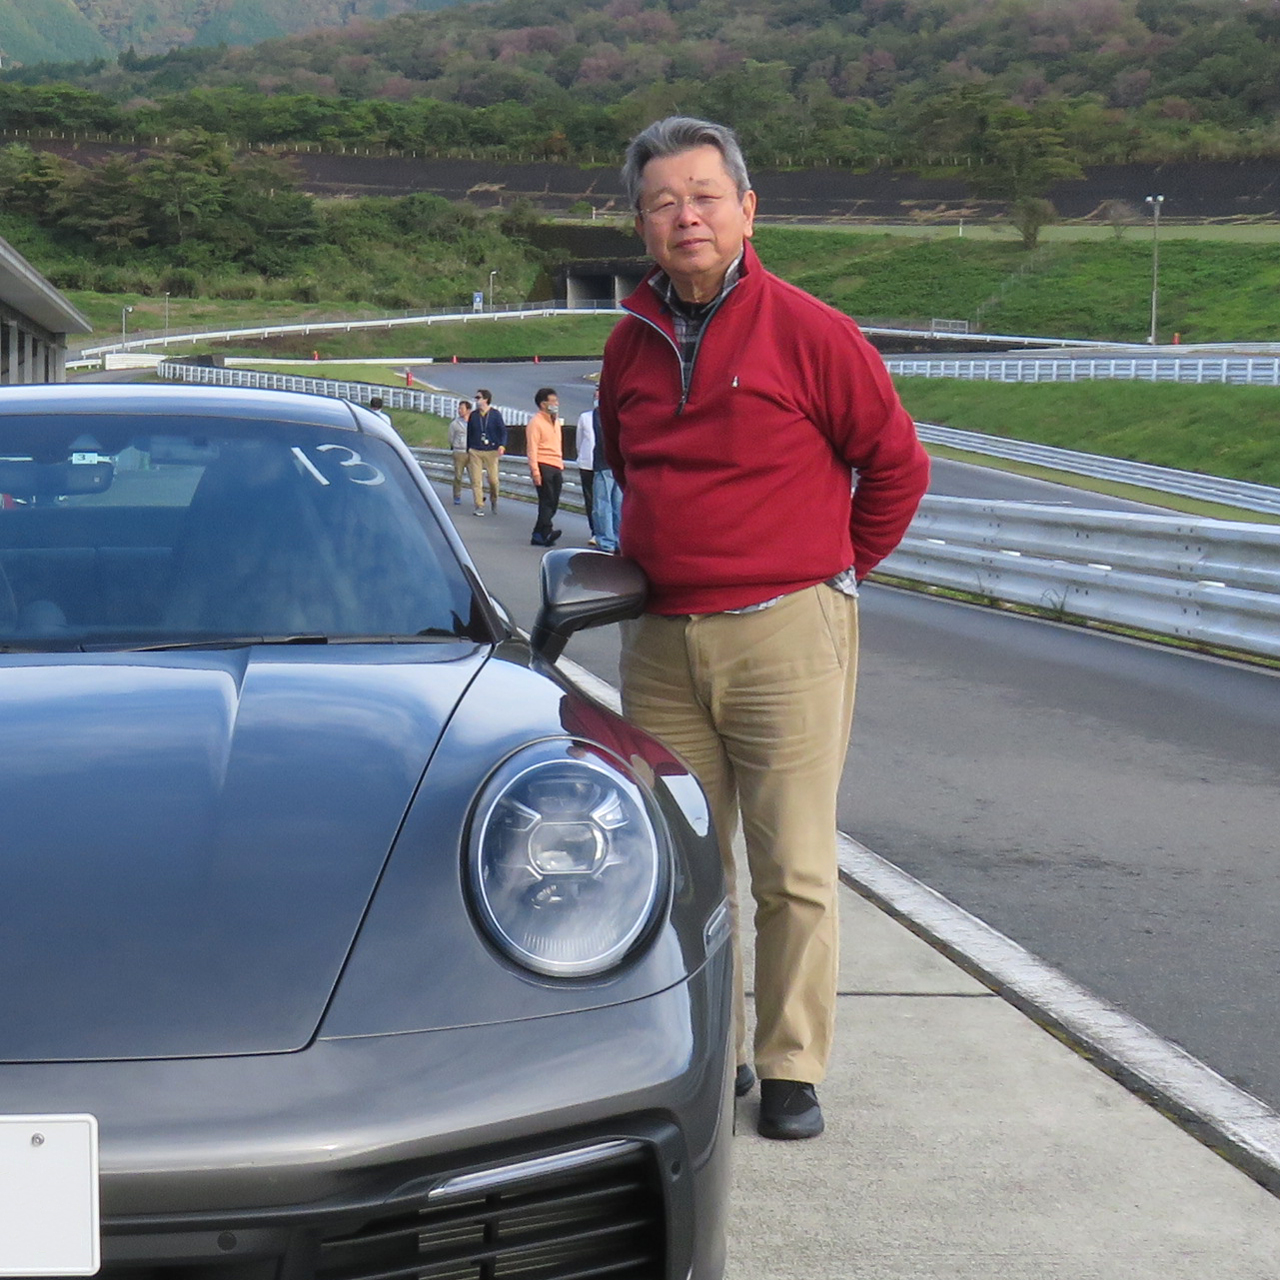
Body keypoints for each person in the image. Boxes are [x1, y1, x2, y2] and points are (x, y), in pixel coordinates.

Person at [598, 116, 930, 1141]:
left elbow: (896, 465)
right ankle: (716, 1051)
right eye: (662, 202)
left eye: (704, 196)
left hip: (786, 628)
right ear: (641, 225)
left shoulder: (811, 332)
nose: (685, 216)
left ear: (747, 208)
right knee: (689, 867)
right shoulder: (628, 343)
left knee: (793, 865)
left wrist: (830, 575)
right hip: (661, 640)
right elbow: (621, 465)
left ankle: (789, 1065)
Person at [525, 386, 564, 547]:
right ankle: (546, 531)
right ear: (543, 404)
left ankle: (538, 534)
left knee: (553, 501)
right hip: (543, 464)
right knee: (547, 500)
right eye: (553, 401)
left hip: (556, 464)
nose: (556, 404)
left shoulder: (555, 421)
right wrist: (535, 471)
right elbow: (532, 448)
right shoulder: (536, 422)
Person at [589, 388, 623, 554]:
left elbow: (602, 438)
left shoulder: (600, 412)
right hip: (620, 463)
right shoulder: (620, 411)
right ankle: (619, 540)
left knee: (602, 504)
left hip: (604, 463)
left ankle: (605, 541)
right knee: (618, 504)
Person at [466, 389, 506, 516]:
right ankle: (479, 505)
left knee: (493, 480)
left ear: (486, 399)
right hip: (475, 450)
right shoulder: (473, 415)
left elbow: (503, 432)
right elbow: (469, 433)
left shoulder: (495, 414)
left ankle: (494, 499)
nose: (476, 400)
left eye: (479, 398)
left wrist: (502, 445)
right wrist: (468, 449)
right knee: (476, 480)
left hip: (491, 451)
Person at [575, 392, 598, 545]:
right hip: (587, 463)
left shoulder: (610, 417)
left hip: (603, 464)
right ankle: (594, 530)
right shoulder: (585, 417)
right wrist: (581, 456)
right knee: (590, 499)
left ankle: (606, 531)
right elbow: (579, 440)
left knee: (603, 500)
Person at [447, 399, 472, 506]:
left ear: (468, 410)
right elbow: (450, 438)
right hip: (459, 452)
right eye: (459, 408)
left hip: (472, 452)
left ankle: (478, 497)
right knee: (458, 476)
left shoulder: (474, 423)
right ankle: (457, 495)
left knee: (475, 476)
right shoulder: (455, 424)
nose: (459, 410)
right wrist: (456, 446)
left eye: (462, 408)